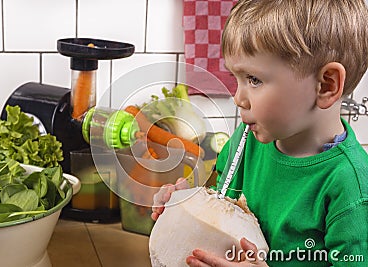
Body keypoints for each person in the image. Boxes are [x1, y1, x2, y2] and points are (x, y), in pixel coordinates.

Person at [151, 0, 368, 266]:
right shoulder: (248, 143)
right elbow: (225, 219)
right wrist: (186, 209)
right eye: (237, 79)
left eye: (254, 80)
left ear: (326, 85)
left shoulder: (351, 188)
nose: (238, 98)